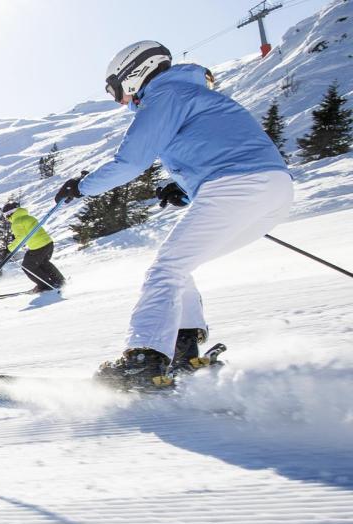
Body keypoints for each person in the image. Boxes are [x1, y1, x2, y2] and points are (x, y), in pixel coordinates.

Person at [53, 41, 291, 388]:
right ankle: (183, 350)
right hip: (273, 189)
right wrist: (185, 187)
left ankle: (144, 358)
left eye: (115, 90)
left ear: (133, 74)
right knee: (178, 266)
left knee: (165, 269)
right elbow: (217, 144)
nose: (120, 100)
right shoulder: (190, 94)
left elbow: (131, 162)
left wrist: (82, 187)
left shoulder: (165, 95)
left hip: (237, 186)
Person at [3, 201, 65, 292]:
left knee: (28, 266)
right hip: (48, 244)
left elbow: (21, 238)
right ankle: (59, 281)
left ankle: (46, 285)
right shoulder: (28, 217)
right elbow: (28, 233)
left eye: (5, 216)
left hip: (38, 247)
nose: (6, 219)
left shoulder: (16, 222)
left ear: (9, 214)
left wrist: (9, 249)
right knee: (43, 263)